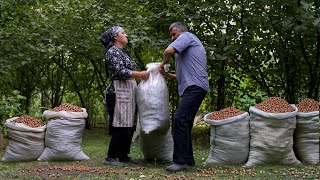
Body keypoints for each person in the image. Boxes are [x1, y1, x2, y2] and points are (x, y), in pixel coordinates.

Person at [159, 22, 209, 172]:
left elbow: (168, 51)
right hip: (194, 87)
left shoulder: (187, 36)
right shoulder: (186, 51)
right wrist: (168, 74)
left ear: (182, 31)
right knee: (185, 123)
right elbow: (181, 77)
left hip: (195, 87)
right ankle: (188, 159)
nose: (173, 38)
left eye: (174, 34)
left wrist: (163, 63)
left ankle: (180, 161)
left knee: (179, 119)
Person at [100, 26, 149, 166]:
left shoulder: (123, 52)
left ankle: (123, 155)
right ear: (116, 37)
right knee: (119, 124)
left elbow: (129, 70)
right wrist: (140, 74)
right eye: (122, 32)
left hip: (128, 91)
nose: (126, 34)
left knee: (129, 125)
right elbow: (119, 71)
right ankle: (111, 157)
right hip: (118, 92)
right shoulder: (112, 51)